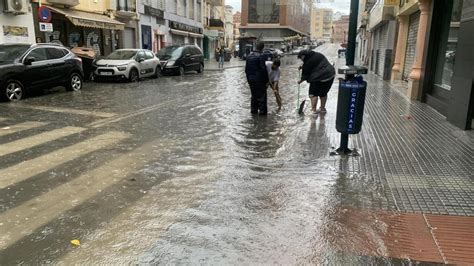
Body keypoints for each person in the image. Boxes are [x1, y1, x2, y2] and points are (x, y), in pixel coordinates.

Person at [297, 49, 335, 115]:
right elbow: (315, 64)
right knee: (323, 93)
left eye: (301, 58)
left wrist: (300, 81)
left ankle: (313, 111)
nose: (301, 60)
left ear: (303, 56)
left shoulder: (308, 62)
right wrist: (303, 67)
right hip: (331, 75)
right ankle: (322, 109)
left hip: (320, 77)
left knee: (313, 94)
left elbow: (305, 75)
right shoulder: (317, 54)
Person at [245, 42, 270, 115]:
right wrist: (267, 81)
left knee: (253, 96)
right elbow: (263, 69)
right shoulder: (261, 56)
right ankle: (262, 115)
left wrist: (248, 80)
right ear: (262, 48)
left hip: (251, 79)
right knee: (262, 97)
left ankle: (253, 111)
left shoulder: (249, 56)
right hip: (259, 80)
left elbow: (246, 70)